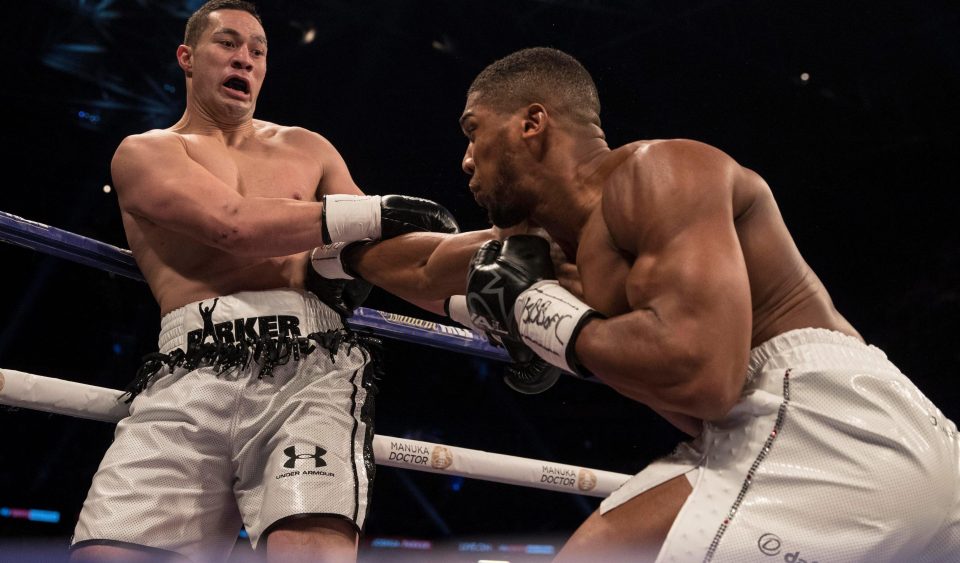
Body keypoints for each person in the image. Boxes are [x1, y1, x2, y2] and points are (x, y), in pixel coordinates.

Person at [346, 47, 960, 561]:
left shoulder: (663, 173)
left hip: (821, 421)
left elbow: (705, 377)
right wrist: (326, 253)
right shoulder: (542, 245)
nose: (465, 158)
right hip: (797, 433)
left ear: (531, 123)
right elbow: (428, 267)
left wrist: (540, 313)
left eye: (473, 131)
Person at [67, 2, 472, 561]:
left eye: (258, 51)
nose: (246, 59)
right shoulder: (146, 153)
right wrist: (376, 212)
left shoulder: (309, 149)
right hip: (187, 373)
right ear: (187, 57)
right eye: (229, 44)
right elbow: (231, 226)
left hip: (309, 372)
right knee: (108, 555)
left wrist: (487, 313)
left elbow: (379, 259)